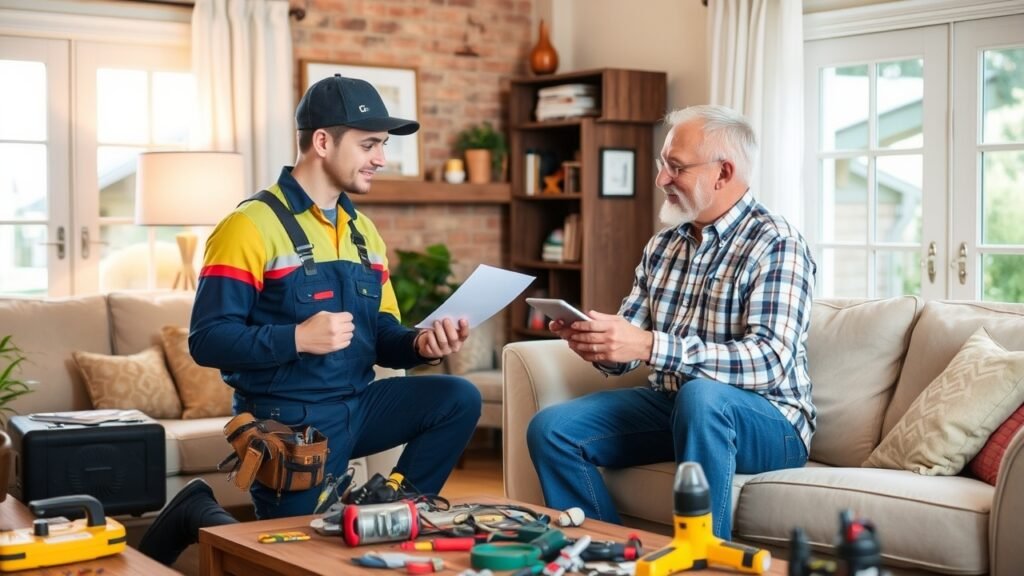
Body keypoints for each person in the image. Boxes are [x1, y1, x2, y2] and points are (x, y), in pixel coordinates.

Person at [189, 74, 481, 519]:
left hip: (358, 407)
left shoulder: (364, 232)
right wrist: (297, 339)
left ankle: (392, 509)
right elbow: (206, 339)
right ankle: (195, 512)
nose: (381, 159)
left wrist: (420, 344)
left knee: (457, 398)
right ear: (322, 141)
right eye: (369, 145)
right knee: (299, 558)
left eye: (383, 145)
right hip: (289, 423)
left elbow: (381, 331)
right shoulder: (248, 225)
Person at [526, 105, 816, 540]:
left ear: (723, 172)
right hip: (675, 407)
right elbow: (631, 347)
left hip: (771, 420)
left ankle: (701, 560)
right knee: (552, 430)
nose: (662, 179)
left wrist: (647, 345)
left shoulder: (777, 243)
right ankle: (611, 554)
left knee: (704, 398)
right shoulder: (664, 245)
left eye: (675, 167)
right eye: (663, 164)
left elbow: (768, 361)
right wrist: (599, 342)